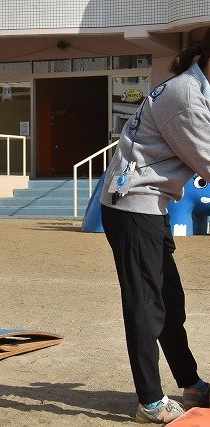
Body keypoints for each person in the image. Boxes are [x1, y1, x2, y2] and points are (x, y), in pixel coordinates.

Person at [100, 27, 210, 424]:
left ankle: (191, 384)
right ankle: (149, 401)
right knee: (146, 304)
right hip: (134, 205)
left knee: (169, 300)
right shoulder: (186, 98)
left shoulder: (195, 90)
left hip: (152, 205)